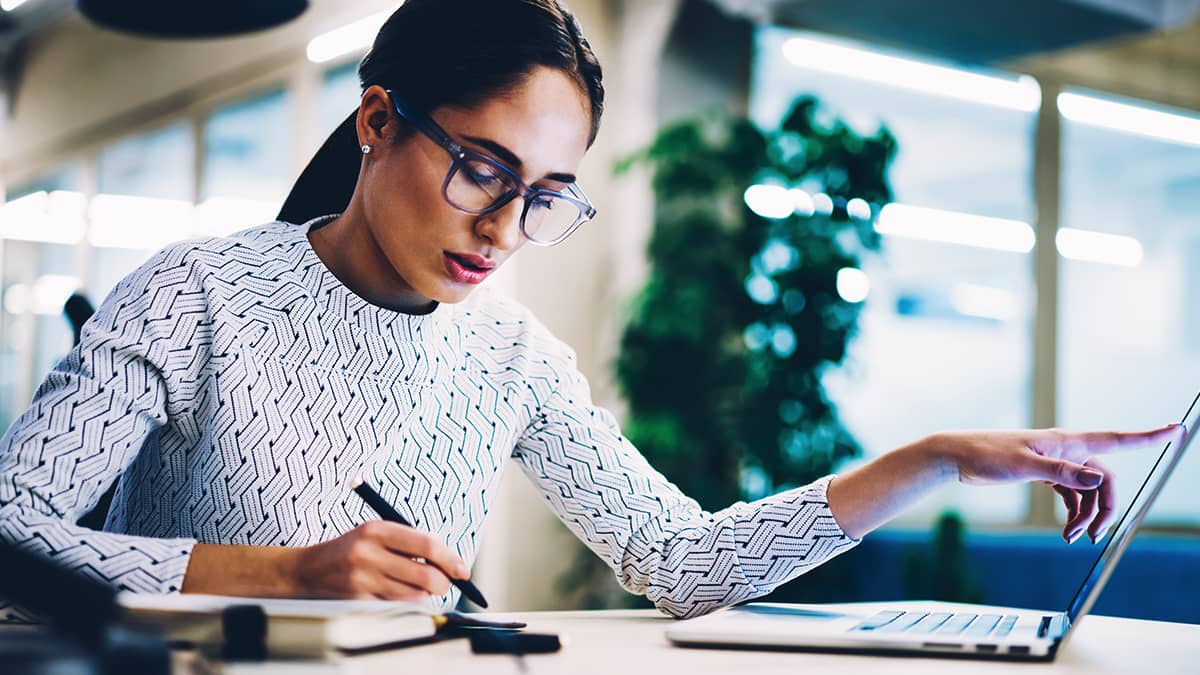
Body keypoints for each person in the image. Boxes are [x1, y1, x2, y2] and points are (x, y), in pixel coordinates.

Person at [0, 0, 1183, 621]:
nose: (504, 228)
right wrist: (280, 575)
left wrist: (931, 460)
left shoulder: (511, 354)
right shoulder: (198, 293)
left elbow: (681, 560)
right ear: (377, 122)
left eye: (545, 197)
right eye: (483, 171)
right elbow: (12, 530)